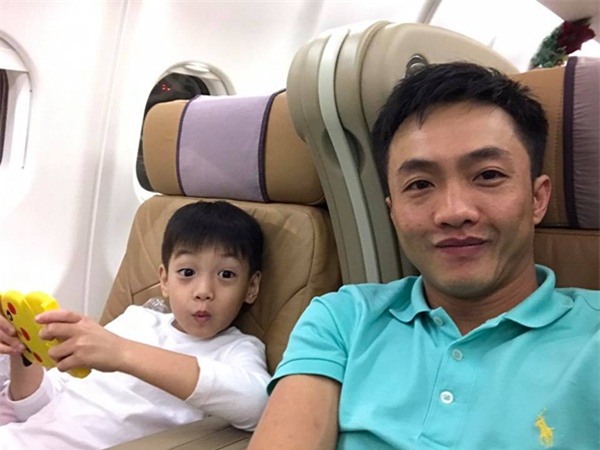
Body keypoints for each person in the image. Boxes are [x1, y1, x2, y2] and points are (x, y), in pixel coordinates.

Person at [248, 62, 600, 449]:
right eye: (419, 184)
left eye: (488, 175)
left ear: (537, 198)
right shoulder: (344, 319)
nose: (453, 212)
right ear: (393, 212)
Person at [0, 200, 270, 449]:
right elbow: (35, 409)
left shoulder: (236, 349)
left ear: (251, 287)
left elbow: (259, 405)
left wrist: (122, 353)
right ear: (164, 280)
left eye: (226, 274)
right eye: (187, 272)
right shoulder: (137, 319)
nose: (203, 291)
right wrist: (22, 352)